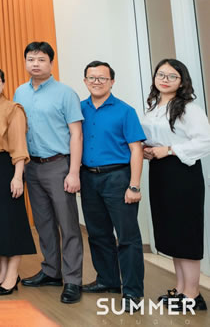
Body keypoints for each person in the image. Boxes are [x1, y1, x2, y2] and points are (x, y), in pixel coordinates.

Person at [13, 41, 84, 305]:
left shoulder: (65, 93)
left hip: (59, 165)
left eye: (41, 59)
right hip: (32, 166)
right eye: (30, 59)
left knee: (68, 225)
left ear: (50, 63)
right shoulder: (20, 92)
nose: (35, 64)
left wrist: (73, 171)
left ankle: (73, 279)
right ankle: (51, 271)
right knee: (43, 223)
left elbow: (76, 134)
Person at [141, 58, 210, 311]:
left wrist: (168, 150)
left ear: (182, 81)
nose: (165, 79)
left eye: (172, 76)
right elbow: (154, 138)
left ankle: (193, 295)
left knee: (185, 232)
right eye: (161, 74)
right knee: (172, 232)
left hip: (183, 174)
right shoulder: (155, 105)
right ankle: (181, 289)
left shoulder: (189, 108)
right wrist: (149, 150)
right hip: (160, 172)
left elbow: (205, 141)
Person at [76, 61, 146, 307]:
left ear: (112, 82)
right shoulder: (79, 109)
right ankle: (107, 280)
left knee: (127, 236)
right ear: (85, 81)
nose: (96, 81)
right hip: (88, 177)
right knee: (97, 234)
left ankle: (133, 291)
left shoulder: (125, 110)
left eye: (102, 78)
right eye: (91, 78)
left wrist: (134, 185)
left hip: (118, 177)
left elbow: (136, 149)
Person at [0, 66, 36, 296]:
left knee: (12, 221)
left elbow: (19, 146)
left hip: (7, 168)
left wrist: (18, 176)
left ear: (3, 83)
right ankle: (2, 271)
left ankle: (12, 274)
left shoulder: (14, 109)